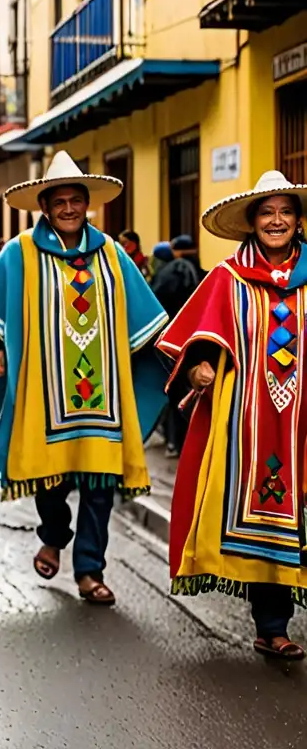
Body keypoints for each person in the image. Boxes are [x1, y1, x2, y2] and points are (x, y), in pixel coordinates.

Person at [0, 151, 168, 606]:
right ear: (44, 207)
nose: (69, 208)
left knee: (100, 485)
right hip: (41, 394)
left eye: (76, 200)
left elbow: (146, 316)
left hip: (103, 396)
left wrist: (181, 353)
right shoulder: (19, 253)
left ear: (87, 204)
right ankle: (53, 532)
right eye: (59, 201)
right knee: (49, 481)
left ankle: (90, 570)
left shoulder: (110, 252)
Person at [157, 171, 307, 661]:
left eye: (286, 211)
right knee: (267, 516)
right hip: (246, 425)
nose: (277, 220)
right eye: (267, 212)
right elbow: (186, 341)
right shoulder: (226, 278)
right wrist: (197, 369)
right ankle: (272, 625)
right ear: (251, 222)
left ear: (298, 221)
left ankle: (273, 624)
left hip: (302, 422)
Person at [150, 234, 207, 457]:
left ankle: (177, 442)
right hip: (202, 339)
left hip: (175, 341)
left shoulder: (171, 272)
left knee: (174, 392)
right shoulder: (206, 271)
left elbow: (156, 305)